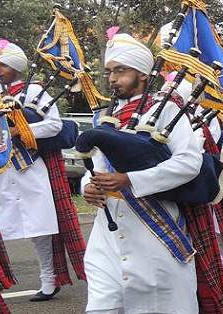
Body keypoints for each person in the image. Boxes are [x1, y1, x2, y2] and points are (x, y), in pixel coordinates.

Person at [82, 33, 202, 313]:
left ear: (144, 74)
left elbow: (188, 163)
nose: (112, 79)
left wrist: (130, 180)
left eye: (121, 71)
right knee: (102, 305)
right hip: (106, 232)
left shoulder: (166, 110)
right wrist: (89, 186)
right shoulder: (104, 116)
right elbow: (97, 166)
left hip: (154, 227)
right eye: (110, 71)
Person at [0, 40, 86, 302]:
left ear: (15, 67)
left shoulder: (34, 90)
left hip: (29, 168)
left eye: (2, 65)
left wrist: (19, 130)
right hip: (2, 170)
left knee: (40, 229)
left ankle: (49, 281)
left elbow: (54, 125)